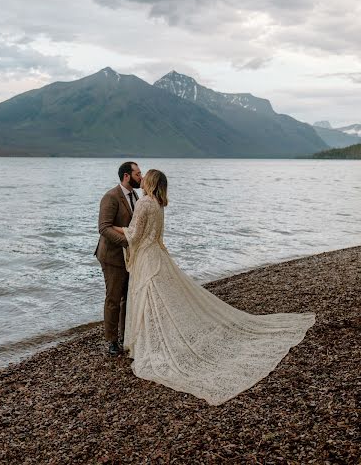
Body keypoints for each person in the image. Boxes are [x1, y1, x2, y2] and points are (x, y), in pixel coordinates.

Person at [112, 169, 316, 405]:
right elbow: (157, 236)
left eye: (144, 176)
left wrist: (114, 228)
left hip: (147, 258)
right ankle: (154, 339)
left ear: (150, 182)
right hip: (157, 255)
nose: (142, 178)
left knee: (150, 299)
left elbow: (135, 235)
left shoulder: (144, 202)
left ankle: (152, 344)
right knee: (157, 299)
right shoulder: (158, 204)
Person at [95, 161, 142, 356]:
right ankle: (112, 341)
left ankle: (125, 336)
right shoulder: (111, 197)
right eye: (138, 174)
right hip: (112, 256)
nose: (141, 177)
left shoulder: (135, 196)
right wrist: (127, 242)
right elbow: (104, 227)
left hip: (129, 257)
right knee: (113, 298)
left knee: (127, 298)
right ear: (126, 176)